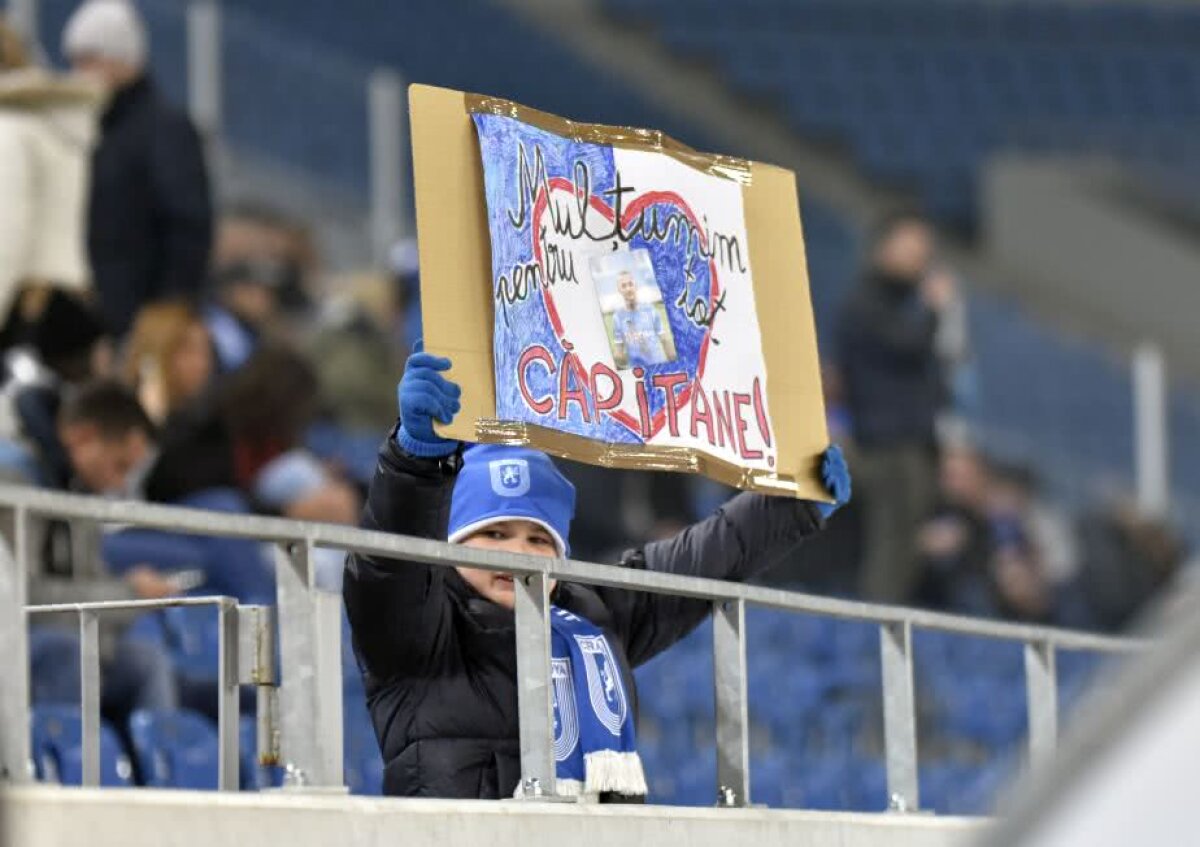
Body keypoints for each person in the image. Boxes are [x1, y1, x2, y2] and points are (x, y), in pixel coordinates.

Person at [343, 350, 851, 800]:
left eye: (539, 539)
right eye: (494, 534)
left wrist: (790, 505)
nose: (518, 554)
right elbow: (388, 566)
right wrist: (415, 460)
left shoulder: (592, 613)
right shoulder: (414, 626)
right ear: (450, 544)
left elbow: (700, 560)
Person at [63, 0, 213, 336]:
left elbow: (187, 228)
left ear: (123, 58)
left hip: (139, 318)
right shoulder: (91, 129)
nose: (79, 72)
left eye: (90, 58)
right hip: (94, 318)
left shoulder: (165, 130)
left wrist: (166, 311)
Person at [837, 211, 953, 604]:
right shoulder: (866, 303)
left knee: (908, 548)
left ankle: (890, 620)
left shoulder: (905, 305)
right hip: (884, 445)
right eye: (911, 248)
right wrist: (935, 311)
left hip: (912, 443)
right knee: (889, 548)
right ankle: (875, 625)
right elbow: (906, 346)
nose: (921, 258)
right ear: (883, 248)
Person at [0, 18, 101, 334]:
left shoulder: (9, 132)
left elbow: (6, 234)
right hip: (64, 299)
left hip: (22, 305)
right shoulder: (51, 122)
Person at [122, 301, 215, 425]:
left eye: (206, 350)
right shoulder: (124, 416)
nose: (203, 363)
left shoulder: (206, 418)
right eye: (188, 350)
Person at [611, 271, 674, 369]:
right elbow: (619, 352)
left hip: (658, 367)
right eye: (623, 286)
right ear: (619, 290)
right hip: (638, 372)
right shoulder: (617, 318)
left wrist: (674, 364)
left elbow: (665, 340)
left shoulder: (650, 310)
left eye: (630, 284)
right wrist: (619, 359)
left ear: (635, 286)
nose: (628, 289)